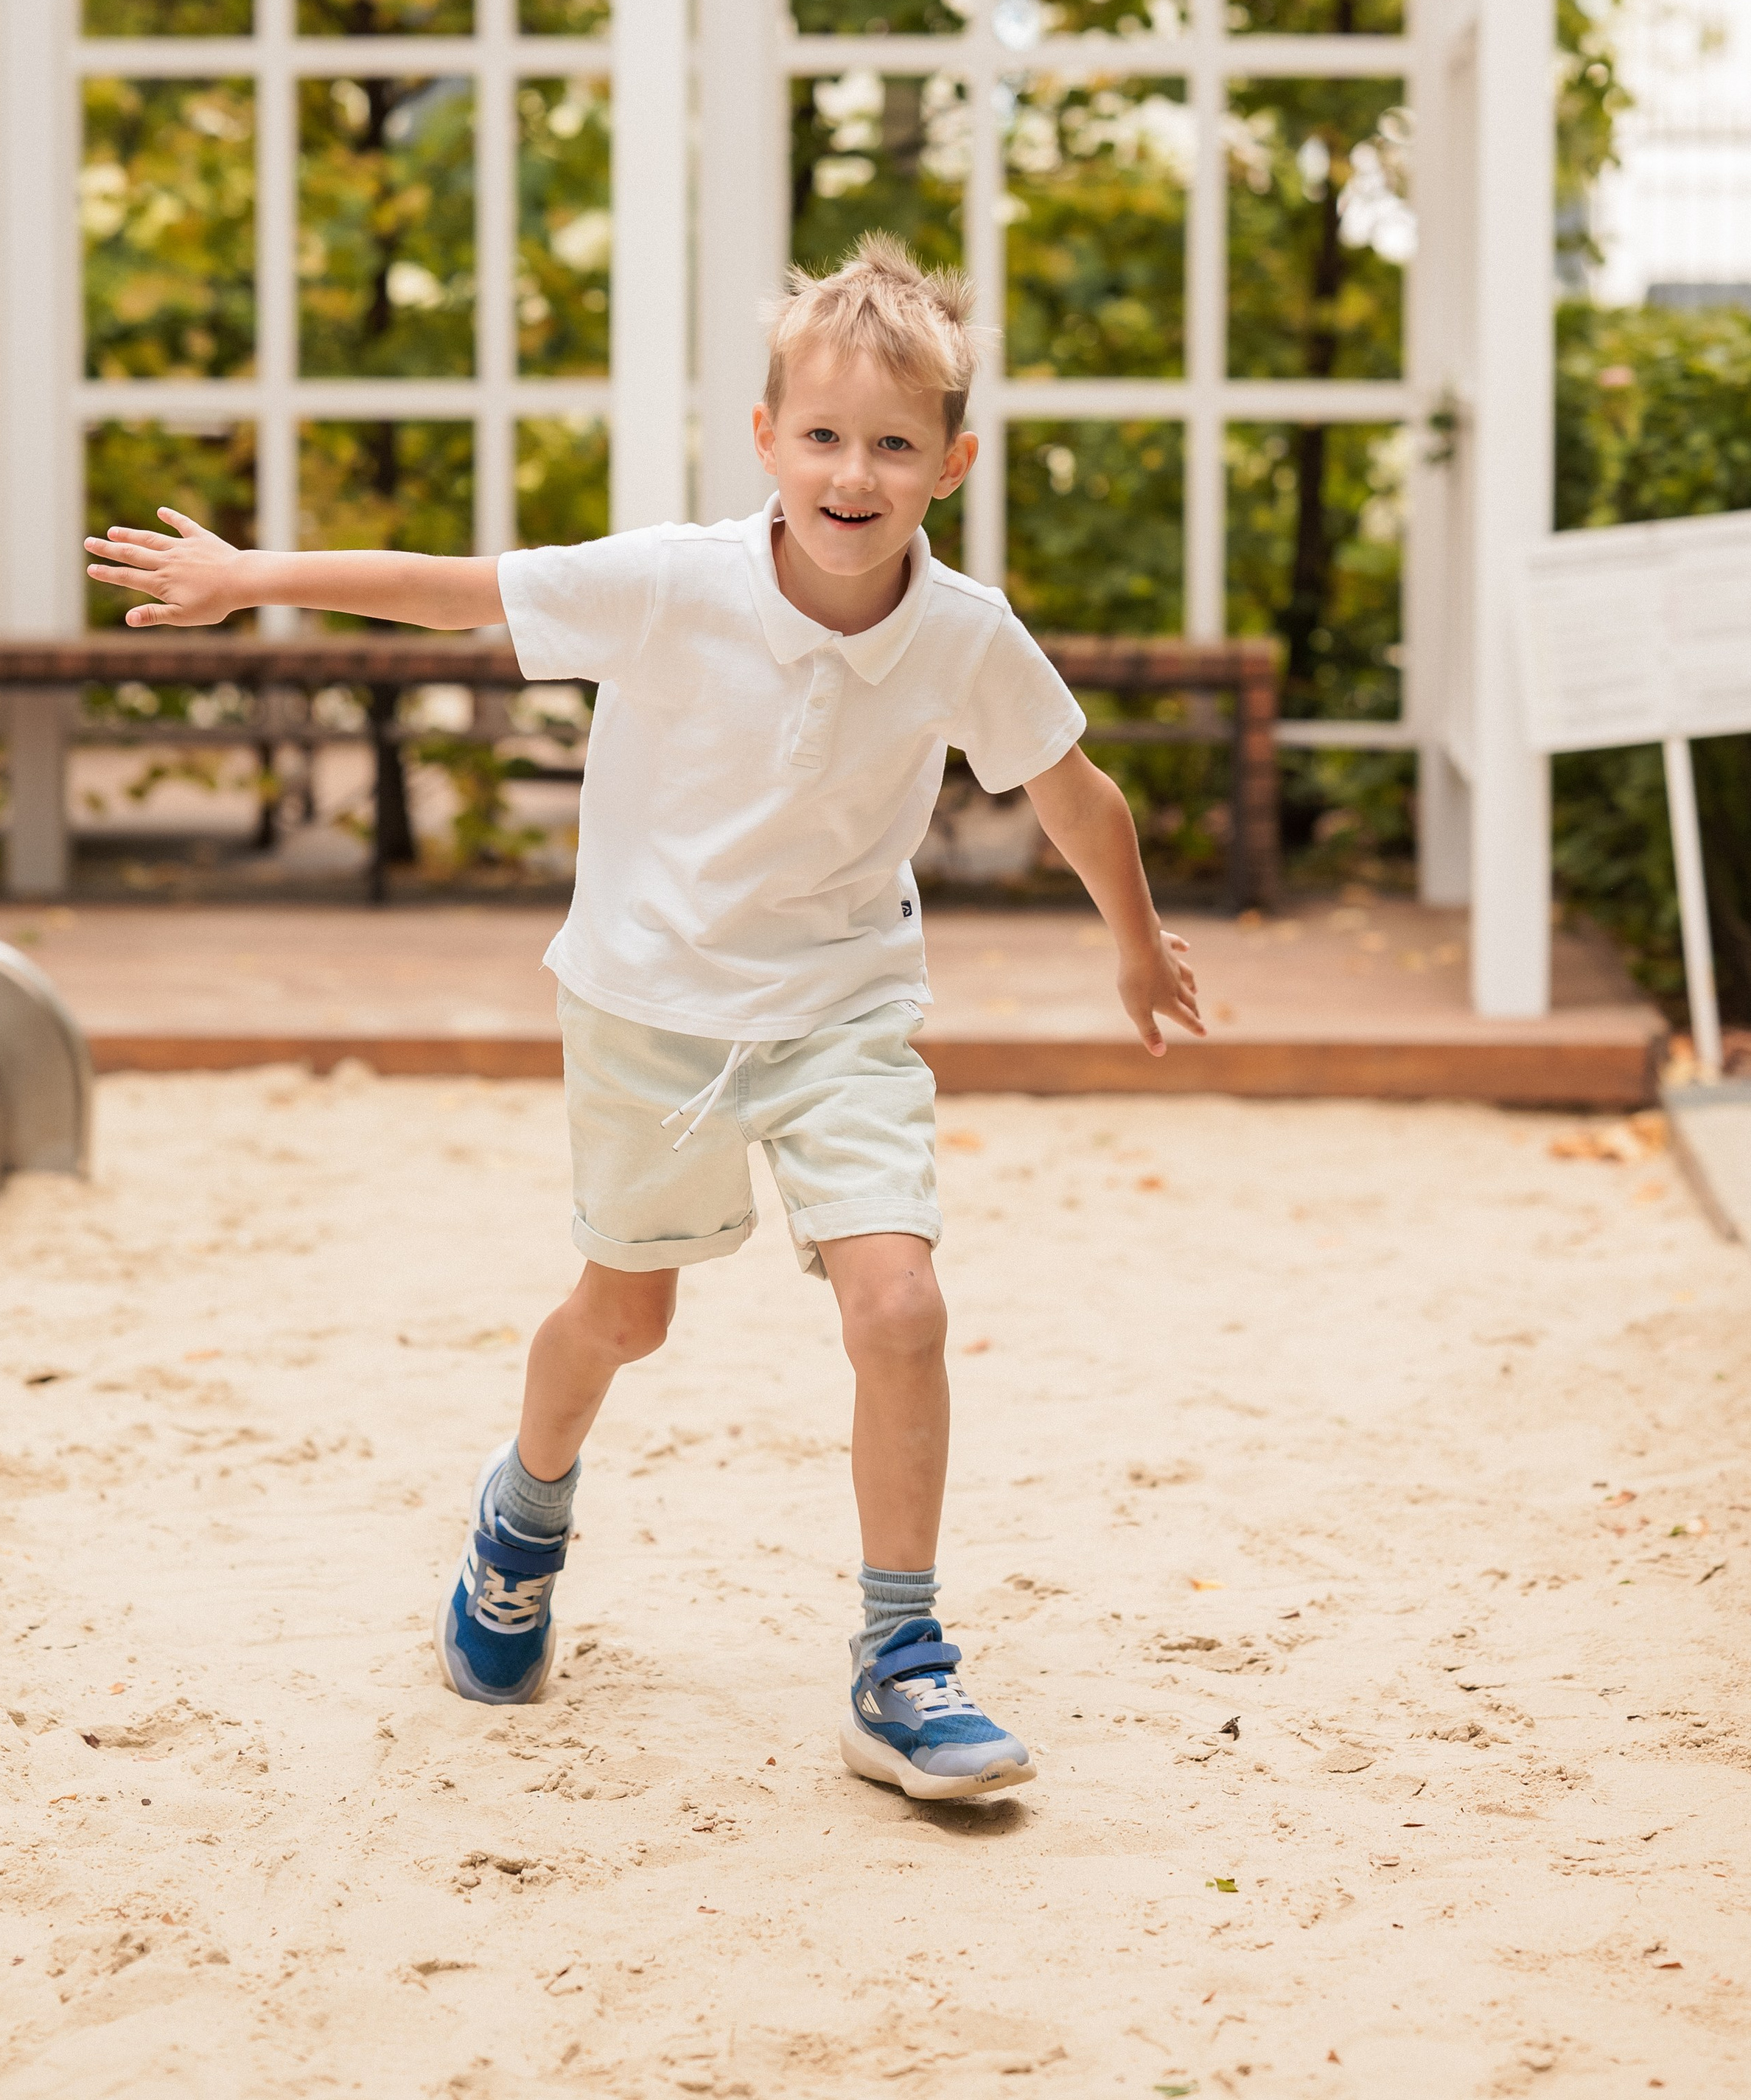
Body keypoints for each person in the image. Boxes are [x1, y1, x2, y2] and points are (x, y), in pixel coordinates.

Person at [85, 237, 1204, 1802]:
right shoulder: (672, 582)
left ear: (950, 463)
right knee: (626, 1315)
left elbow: (1081, 800)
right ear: (765, 440)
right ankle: (519, 1520)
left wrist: (1136, 952)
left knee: (899, 1306)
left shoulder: (964, 634)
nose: (851, 472)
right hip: (647, 1006)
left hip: (839, 1013)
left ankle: (899, 1660)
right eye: (820, 435)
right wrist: (247, 579)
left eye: (891, 445)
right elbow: (455, 595)